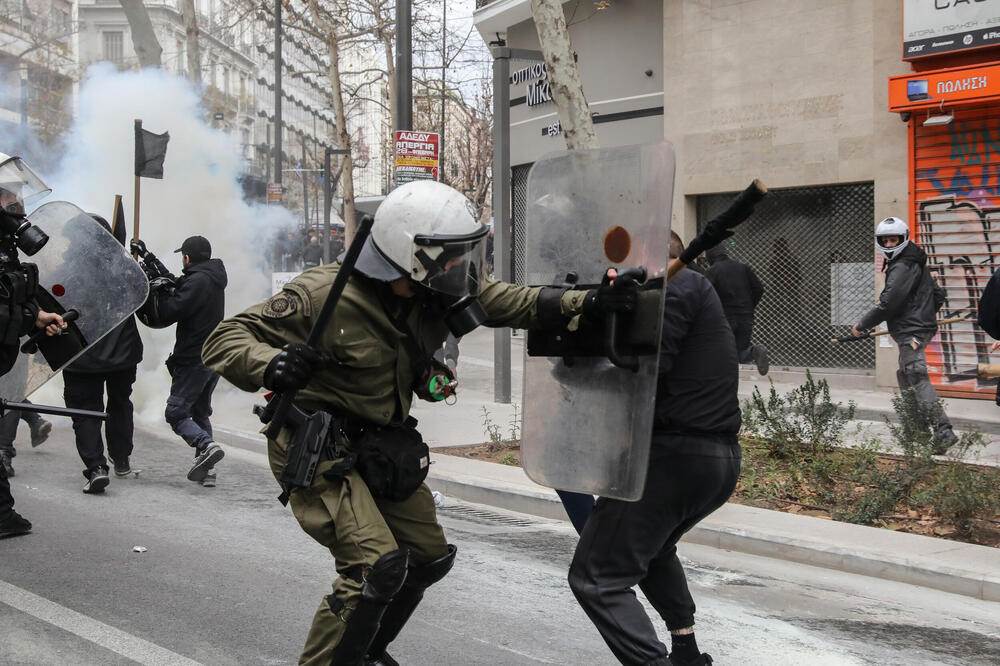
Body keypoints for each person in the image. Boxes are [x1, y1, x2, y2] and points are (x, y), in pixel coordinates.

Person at [202, 180, 621, 665]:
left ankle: (365, 652)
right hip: (318, 446)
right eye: (451, 254)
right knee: (373, 566)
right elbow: (225, 338)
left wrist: (588, 302)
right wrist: (270, 364)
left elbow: (518, 302)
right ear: (411, 252)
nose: (460, 265)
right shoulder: (323, 293)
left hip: (381, 445)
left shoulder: (437, 290)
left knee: (426, 558)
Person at [568, 231, 740, 666]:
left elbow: (644, 373)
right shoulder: (689, 288)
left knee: (597, 579)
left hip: (675, 457)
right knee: (656, 548)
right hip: (708, 460)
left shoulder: (676, 286)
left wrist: (584, 367)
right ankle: (685, 647)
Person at [0, 151, 68, 538]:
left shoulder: (6, 246)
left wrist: (38, 315)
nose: (15, 204)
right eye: (6, 196)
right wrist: (28, 318)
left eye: (15, 195)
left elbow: (9, 296)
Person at [852, 216, 957, 453]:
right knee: (905, 375)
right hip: (914, 328)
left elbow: (889, 303)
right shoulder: (914, 259)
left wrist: (863, 325)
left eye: (893, 240)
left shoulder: (902, 265)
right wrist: (924, 315)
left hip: (912, 331)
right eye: (885, 240)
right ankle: (918, 432)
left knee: (916, 376)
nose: (889, 244)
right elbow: (938, 295)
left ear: (903, 238)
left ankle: (943, 431)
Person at [131, 235, 228, 486]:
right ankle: (207, 470)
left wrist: (148, 288)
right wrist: (149, 258)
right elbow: (179, 285)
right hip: (214, 355)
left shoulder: (198, 281)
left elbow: (172, 307)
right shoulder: (209, 277)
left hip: (194, 358)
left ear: (187, 258)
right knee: (198, 410)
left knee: (176, 412)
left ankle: (205, 445)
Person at [62, 215, 143, 494]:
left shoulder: (66, 271)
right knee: (120, 404)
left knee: (85, 412)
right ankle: (121, 459)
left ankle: (96, 467)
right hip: (123, 353)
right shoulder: (123, 267)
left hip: (81, 355)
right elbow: (141, 299)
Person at [705, 244, 768, 375]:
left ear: (710, 256)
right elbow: (759, 289)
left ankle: (721, 384)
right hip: (746, 317)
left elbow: (705, 295)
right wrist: (749, 307)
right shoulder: (743, 267)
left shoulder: (713, 271)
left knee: (722, 354)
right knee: (739, 353)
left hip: (725, 319)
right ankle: (754, 351)